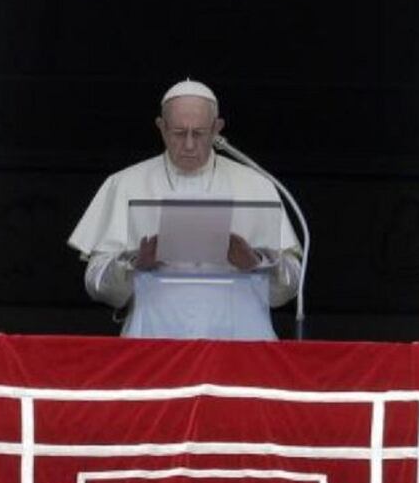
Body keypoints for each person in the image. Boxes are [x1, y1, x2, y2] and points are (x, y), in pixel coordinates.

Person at [67, 79, 302, 338]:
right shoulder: (124, 183)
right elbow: (96, 285)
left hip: (242, 340)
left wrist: (256, 264)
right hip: (153, 338)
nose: (189, 145)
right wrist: (133, 265)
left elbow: (289, 288)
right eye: (179, 133)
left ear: (217, 128)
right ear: (161, 128)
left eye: (200, 133)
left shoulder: (257, 184)